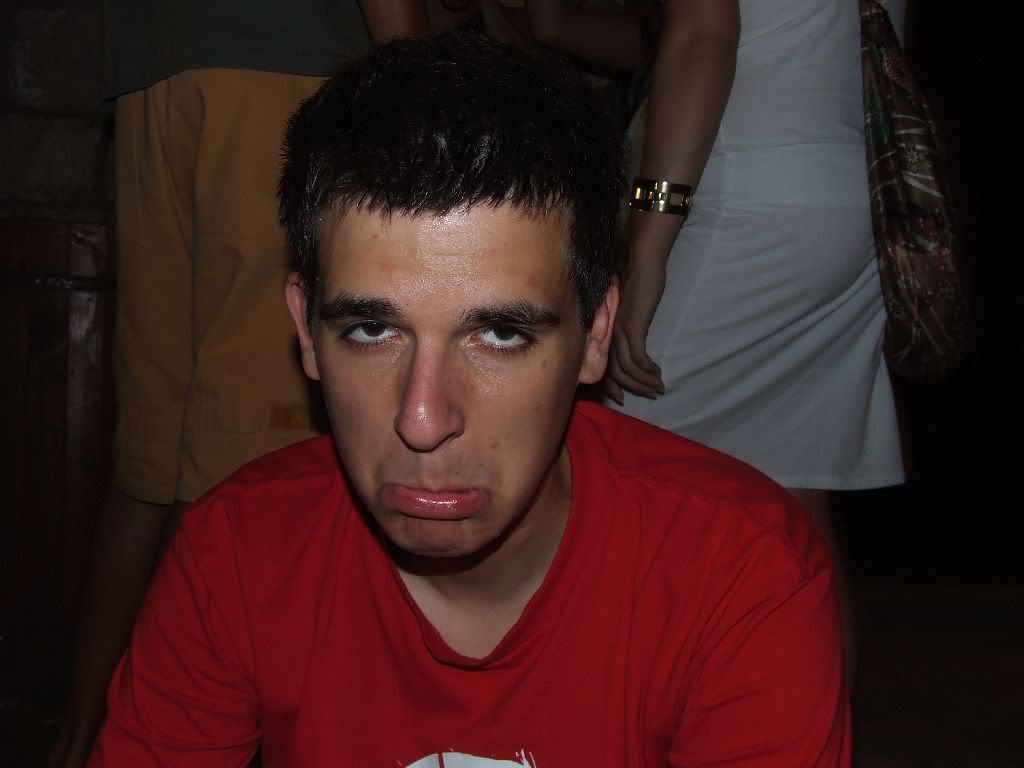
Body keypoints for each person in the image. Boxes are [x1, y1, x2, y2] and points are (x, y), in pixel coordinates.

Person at [88, 31, 848, 766]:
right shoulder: (238, 554)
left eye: (501, 335)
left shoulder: (739, 574)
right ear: (305, 330)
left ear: (596, 333)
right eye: (372, 330)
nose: (423, 421)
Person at [52, 3, 434, 766]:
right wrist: (424, 101)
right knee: (247, 453)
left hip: (152, 72)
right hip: (278, 68)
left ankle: (84, 740)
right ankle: (188, 734)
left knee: (154, 449)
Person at [488, 0, 905, 677]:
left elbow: (704, 35)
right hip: (853, 201)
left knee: (615, 465)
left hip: (745, 197)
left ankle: (589, 707)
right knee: (793, 494)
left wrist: (648, 246)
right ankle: (807, 725)